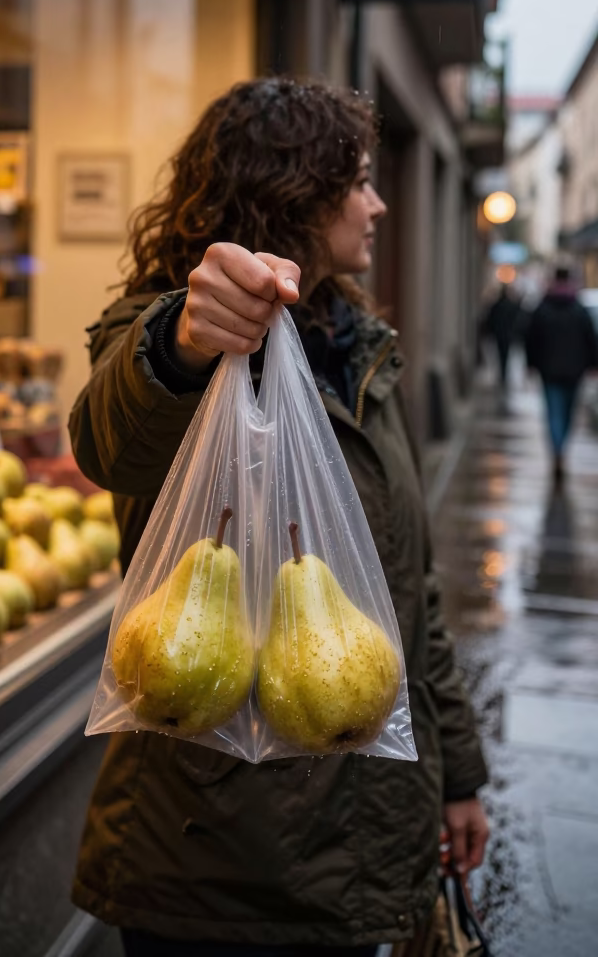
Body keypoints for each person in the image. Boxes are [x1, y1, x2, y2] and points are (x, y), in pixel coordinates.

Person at [69, 78, 490, 955]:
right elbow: (110, 440)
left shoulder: (363, 357)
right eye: (359, 181)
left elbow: (411, 593)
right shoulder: (165, 329)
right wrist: (185, 341)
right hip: (216, 860)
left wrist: (459, 774)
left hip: (366, 837)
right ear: (296, 192)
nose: (377, 204)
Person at [525, 264, 598, 481]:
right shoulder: (579, 309)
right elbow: (591, 340)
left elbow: (531, 339)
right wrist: (593, 365)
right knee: (567, 413)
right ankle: (561, 449)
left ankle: (557, 450)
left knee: (553, 413)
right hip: (574, 371)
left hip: (549, 372)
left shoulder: (543, 308)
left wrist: (531, 364)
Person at [481, 284, 521, 393]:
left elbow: (490, 320)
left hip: (500, 334)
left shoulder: (496, 305)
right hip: (507, 335)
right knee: (505, 355)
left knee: (501, 355)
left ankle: (503, 374)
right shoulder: (511, 305)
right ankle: (504, 374)